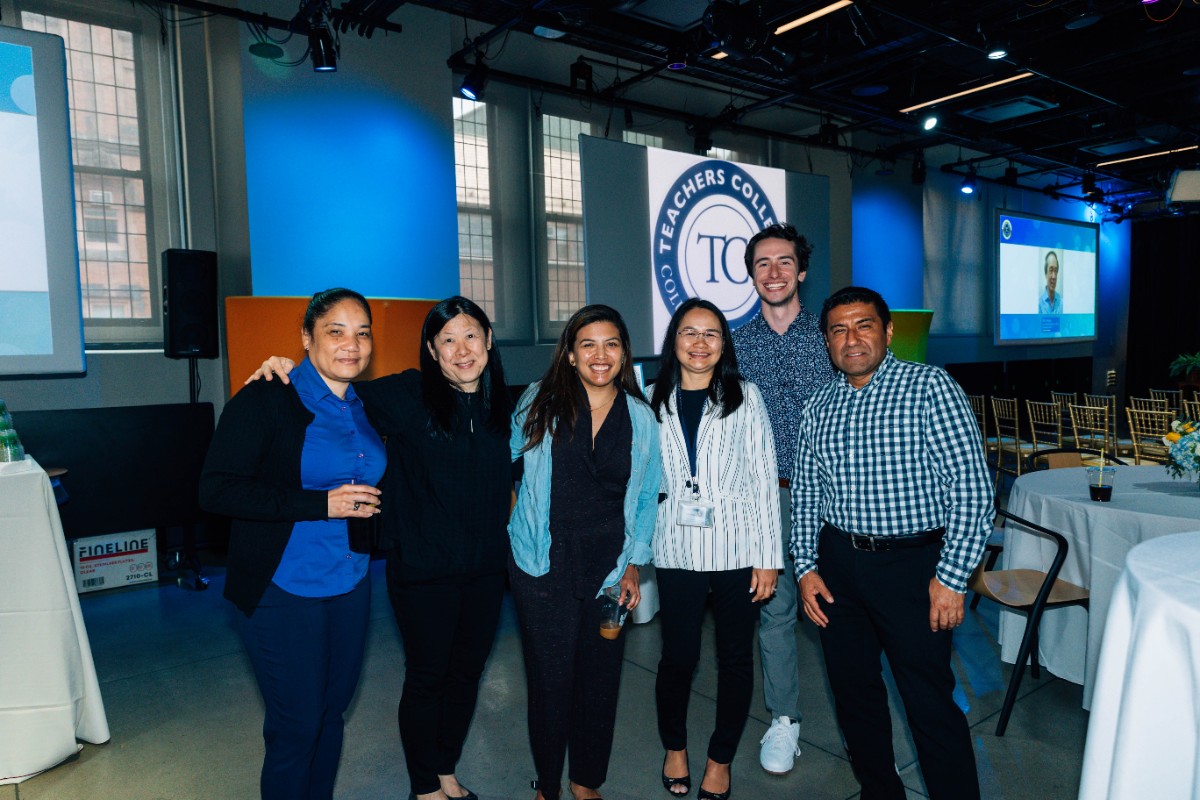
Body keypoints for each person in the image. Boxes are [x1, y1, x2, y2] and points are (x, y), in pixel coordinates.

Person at [247, 296, 512, 800]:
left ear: (488, 341)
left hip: (483, 570)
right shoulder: (406, 395)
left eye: (471, 336)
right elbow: (333, 386)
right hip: (422, 571)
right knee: (429, 677)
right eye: (448, 340)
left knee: (466, 676)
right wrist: (285, 367)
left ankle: (446, 770)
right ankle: (423, 785)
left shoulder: (507, 407)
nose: (461, 349)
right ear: (431, 351)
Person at [792, 286, 993, 800]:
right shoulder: (818, 407)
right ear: (826, 341)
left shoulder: (929, 387)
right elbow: (808, 494)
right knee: (854, 698)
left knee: (928, 703)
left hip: (913, 569)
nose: (851, 338)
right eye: (838, 329)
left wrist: (951, 580)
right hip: (837, 569)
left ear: (888, 331)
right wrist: (805, 567)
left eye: (863, 325)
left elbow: (972, 490)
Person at [200, 288, 385, 800]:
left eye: (362, 332)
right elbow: (216, 489)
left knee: (331, 715)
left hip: (350, 579)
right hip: (282, 584)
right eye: (335, 331)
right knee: (296, 725)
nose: (351, 344)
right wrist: (319, 504)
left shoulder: (365, 404)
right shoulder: (267, 395)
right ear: (306, 337)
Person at [508, 304, 662, 800]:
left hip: (609, 569)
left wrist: (633, 567)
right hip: (542, 566)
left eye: (611, 344)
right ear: (570, 354)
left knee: (600, 682)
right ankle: (548, 784)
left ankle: (585, 780)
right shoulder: (539, 401)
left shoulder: (640, 418)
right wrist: (517, 528)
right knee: (550, 682)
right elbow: (506, 467)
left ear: (624, 354)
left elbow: (644, 498)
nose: (601, 354)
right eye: (588, 344)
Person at [652, 298, 781, 800]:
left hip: (737, 548)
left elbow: (764, 479)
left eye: (711, 334)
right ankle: (675, 748)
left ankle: (720, 758)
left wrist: (769, 556)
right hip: (675, 549)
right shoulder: (648, 397)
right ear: (674, 341)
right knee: (677, 658)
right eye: (689, 332)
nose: (700, 343)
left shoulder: (745, 396)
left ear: (723, 344)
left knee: (734, 659)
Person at [730, 222, 834, 774]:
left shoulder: (831, 337)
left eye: (784, 262)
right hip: (766, 503)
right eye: (763, 264)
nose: (774, 272)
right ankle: (784, 720)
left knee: (839, 611)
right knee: (774, 613)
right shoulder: (733, 343)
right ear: (752, 274)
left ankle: (859, 715)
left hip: (834, 501)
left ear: (802, 270)